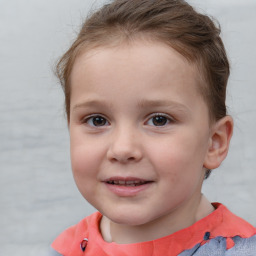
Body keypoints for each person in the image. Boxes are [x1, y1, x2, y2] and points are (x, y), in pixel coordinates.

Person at [50, 0, 256, 255]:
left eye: (159, 120)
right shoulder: (66, 249)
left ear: (214, 142)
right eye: (98, 120)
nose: (123, 149)